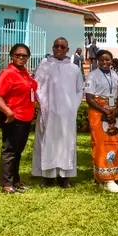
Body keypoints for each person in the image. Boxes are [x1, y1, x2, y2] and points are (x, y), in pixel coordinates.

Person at [33, 37, 84, 188]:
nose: (59, 49)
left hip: (67, 114)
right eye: (56, 46)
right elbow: (37, 87)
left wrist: (72, 108)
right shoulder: (44, 66)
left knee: (66, 144)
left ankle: (64, 177)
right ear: (52, 47)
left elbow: (79, 90)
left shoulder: (74, 69)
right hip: (48, 111)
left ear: (67, 49)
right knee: (47, 142)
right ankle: (47, 177)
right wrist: (44, 105)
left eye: (62, 47)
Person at [0, 43, 37, 194]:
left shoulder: (24, 73)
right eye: (18, 55)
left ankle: (16, 181)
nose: (21, 57)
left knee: (18, 151)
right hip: (13, 118)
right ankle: (7, 183)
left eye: (24, 55)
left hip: (25, 118)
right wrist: (8, 112)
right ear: (12, 56)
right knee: (9, 151)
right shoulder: (8, 74)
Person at [85, 49, 118, 193]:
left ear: (112, 61)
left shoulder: (116, 75)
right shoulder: (92, 76)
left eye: (107, 60)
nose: (105, 62)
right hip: (99, 113)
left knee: (115, 143)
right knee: (100, 144)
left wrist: (116, 111)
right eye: (101, 60)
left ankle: (111, 175)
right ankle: (104, 178)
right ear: (97, 61)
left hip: (113, 114)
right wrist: (106, 111)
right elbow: (89, 99)